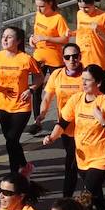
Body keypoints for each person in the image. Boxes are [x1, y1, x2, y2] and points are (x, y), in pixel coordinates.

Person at [44, 65, 105, 210]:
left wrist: (102, 121)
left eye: (87, 80)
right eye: (83, 79)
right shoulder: (77, 99)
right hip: (83, 158)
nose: (83, 83)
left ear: (98, 83)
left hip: (101, 158)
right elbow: (63, 121)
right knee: (96, 196)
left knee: (85, 199)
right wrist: (52, 137)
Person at [0, 25, 41, 177]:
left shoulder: (25, 59)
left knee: (11, 141)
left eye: (9, 37)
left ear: (17, 41)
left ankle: (14, 174)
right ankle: (24, 165)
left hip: (21, 106)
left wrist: (30, 89)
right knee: (11, 141)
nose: (4, 39)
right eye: (4, 36)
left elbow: (39, 76)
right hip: (2, 105)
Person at [37, 44, 86, 198]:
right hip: (64, 127)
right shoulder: (57, 75)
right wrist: (42, 114)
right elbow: (47, 97)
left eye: (75, 56)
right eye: (67, 57)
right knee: (74, 160)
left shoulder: (86, 75)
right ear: (63, 59)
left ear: (80, 56)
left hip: (85, 127)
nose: (72, 60)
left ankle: (71, 197)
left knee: (72, 162)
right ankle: (83, 194)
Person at [30, 0, 71, 113]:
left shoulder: (58, 19)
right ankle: (37, 120)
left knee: (59, 90)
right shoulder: (38, 15)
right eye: (37, 6)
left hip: (54, 59)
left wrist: (47, 38)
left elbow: (65, 39)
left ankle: (63, 118)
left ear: (50, 4)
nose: (39, 10)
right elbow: (36, 32)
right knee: (36, 90)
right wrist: (32, 39)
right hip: (38, 56)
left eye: (42, 6)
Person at [74, 0, 105, 71]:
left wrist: (99, 32)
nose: (83, 10)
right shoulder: (79, 14)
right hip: (81, 61)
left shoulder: (103, 16)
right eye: (80, 7)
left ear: (93, 4)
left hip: (97, 62)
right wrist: (71, 33)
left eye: (86, 7)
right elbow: (81, 31)